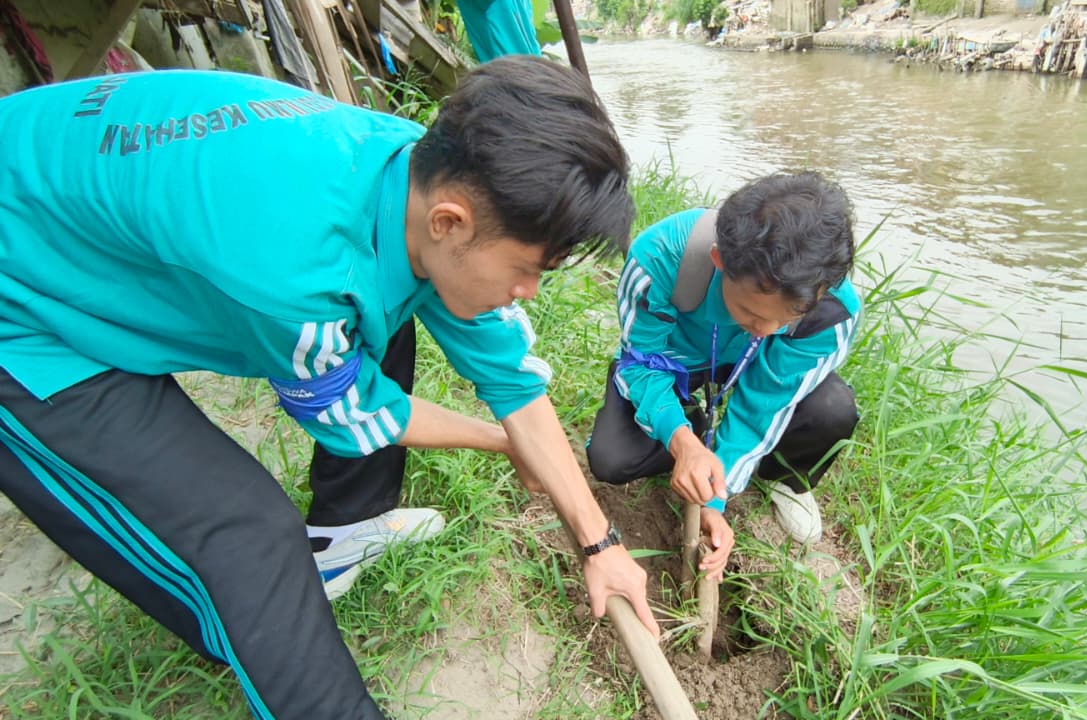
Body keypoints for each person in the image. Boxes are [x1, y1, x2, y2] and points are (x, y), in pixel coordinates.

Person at [0, 56, 658, 720]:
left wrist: (598, 544)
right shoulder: (297, 276)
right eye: (524, 270)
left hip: (68, 187)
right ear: (451, 223)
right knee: (244, 540)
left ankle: (343, 532)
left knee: (388, 307)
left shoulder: (409, 173)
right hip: (16, 303)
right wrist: (498, 441)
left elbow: (512, 380)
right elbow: (353, 412)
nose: (528, 293)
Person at [586, 172, 862, 580]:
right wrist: (681, 441)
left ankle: (786, 479)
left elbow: (764, 404)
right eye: (750, 312)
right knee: (611, 457)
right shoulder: (659, 258)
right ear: (720, 261)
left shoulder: (834, 311)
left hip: (755, 367)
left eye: (785, 319)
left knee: (832, 409)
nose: (766, 329)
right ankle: (694, 430)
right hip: (678, 361)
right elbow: (642, 362)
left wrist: (716, 501)